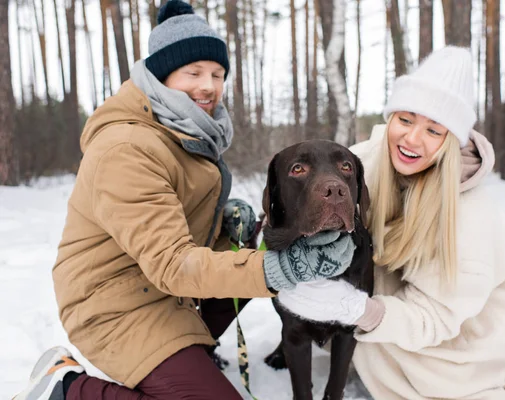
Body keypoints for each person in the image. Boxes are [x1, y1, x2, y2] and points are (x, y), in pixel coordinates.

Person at [14, 1, 356, 399]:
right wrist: (286, 268)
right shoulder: (127, 147)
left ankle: (190, 353)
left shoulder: (188, 134)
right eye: (192, 73)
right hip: (115, 306)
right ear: (160, 77)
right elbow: (173, 262)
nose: (208, 85)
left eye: (217, 73)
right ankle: (66, 389)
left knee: (248, 250)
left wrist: (224, 223)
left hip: (162, 293)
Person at [276, 46, 505, 399]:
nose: (412, 139)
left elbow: (437, 316)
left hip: (467, 339)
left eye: (434, 130)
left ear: (452, 141)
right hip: (403, 307)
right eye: (405, 120)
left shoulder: (470, 215)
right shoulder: (361, 161)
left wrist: (359, 309)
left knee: (399, 364)